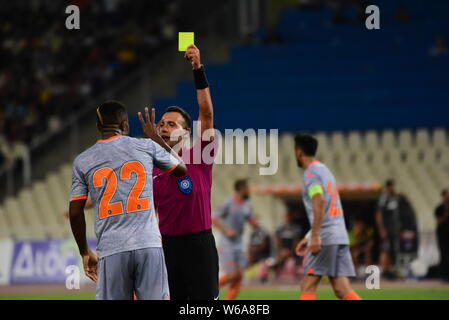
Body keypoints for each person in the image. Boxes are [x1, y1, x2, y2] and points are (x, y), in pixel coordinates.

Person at [69, 101, 186, 300]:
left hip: (112, 248)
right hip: (148, 244)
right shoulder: (146, 146)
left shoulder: (83, 161)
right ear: (125, 125)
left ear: (98, 127)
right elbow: (181, 169)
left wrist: (84, 252)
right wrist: (157, 138)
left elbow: (75, 212)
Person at [151, 44, 220, 300]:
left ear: (187, 132)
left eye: (172, 124)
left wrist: (197, 68)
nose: (164, 128)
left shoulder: (201, 154)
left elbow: (207, 113)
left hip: (199, 245)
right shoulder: (153, 169)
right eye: (161, 124)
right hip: (168, 247)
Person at [293, 134, 361, 300]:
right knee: (341, 288)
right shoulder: (325, 171)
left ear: (299, 152)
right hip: (339, 236)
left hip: (325, 237)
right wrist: (309, 235)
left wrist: (315, 235)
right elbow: (328, 206)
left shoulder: (311, 174)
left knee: (307, 285)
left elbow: (320, 201)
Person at [213, 179, 259, 300]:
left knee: (239, 275)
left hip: (239, 243)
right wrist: (226, 230)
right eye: (248, 188)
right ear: (241, 189)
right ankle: (207, 290)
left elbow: (250, 218)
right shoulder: (228, 202)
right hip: (227, 243)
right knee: (232, 274)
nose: (250, 190)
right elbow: (214, 218)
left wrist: (255, 224)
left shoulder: (247, 204)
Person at [375, 179, 400, 279]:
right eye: (392, 186)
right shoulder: (384, 198)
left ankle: (388, 270)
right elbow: (378, 214)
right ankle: (383, 270)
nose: (394, 188)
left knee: (390, 250)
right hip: (386, 229)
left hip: (393, 229)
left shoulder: (394, 198)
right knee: (385, 249)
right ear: (388, 187)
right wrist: (382, 229)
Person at [270, 211, 302, 277]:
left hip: (292, 252)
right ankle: (277, 269)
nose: (286, 218)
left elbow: (296, 242)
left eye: (288, 217)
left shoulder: (296, 228)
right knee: (280, 257)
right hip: (282, 252)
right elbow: (278, 241)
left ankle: (277, 266)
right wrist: (280, 252)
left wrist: (289, 252)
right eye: (285, 217)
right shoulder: (280, 228)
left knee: (288, 261)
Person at [435, 189, 449, 281]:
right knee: (444, 254)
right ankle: (444, 276)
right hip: (442, 234)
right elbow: (439, 221)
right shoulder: (439, 208)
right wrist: (446, 215)